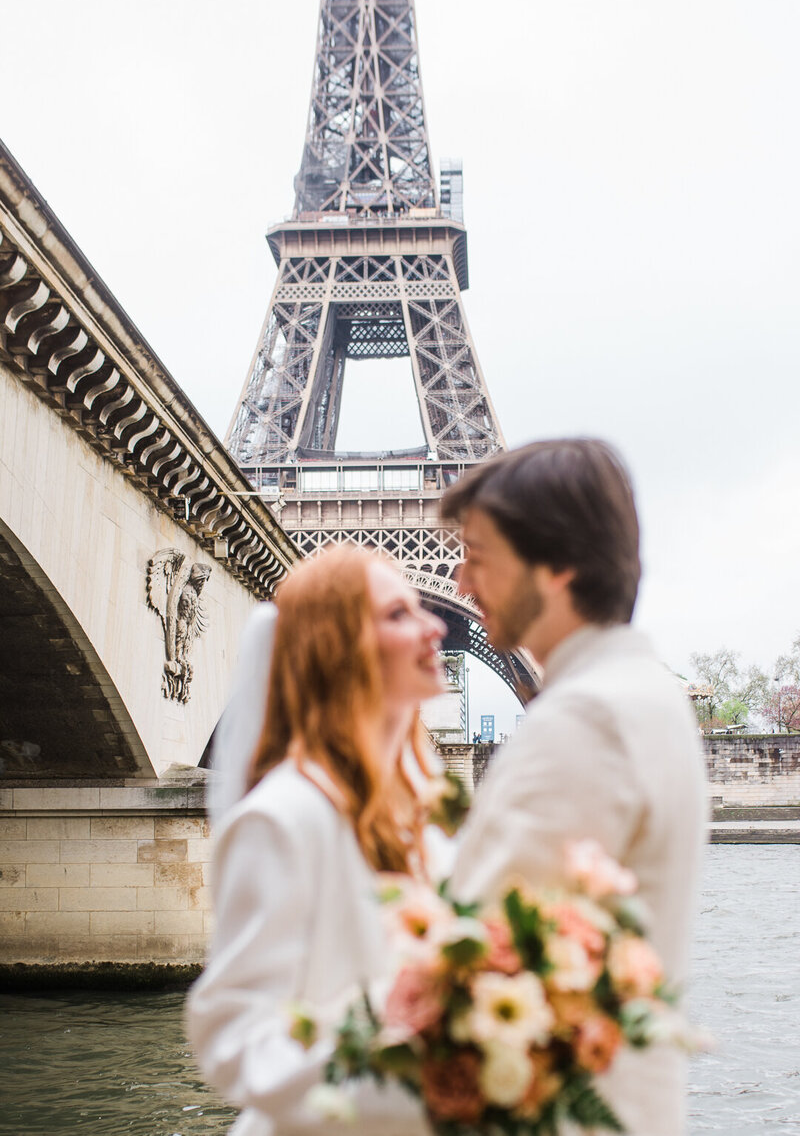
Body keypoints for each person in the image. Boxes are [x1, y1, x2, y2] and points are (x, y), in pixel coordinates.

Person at [440, 438, 707, 1136]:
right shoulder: (645, 697)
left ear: (558, 566)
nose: (460, 583)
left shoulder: (586, 719)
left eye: (479, 555)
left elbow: (473, 969)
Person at [187, 545, 445, 1135]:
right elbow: (234, 1036)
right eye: (399, 614)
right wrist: (411, 1081)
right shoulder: (282, 819)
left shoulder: (414, 814)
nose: (435, 626)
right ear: (339, 646)